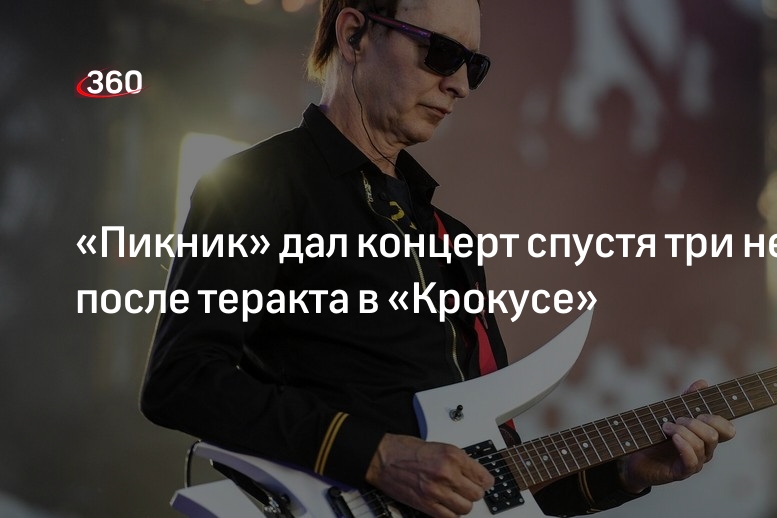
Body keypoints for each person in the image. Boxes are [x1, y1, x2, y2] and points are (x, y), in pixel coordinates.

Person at [140, 1, 736, 516]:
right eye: (442, 54)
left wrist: (626, 471)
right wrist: (376, 456)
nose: (461, 85)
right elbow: (180, 378)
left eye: (474, 65)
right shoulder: (256, 186)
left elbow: (494, 480)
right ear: (354, 34)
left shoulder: (451, 239)